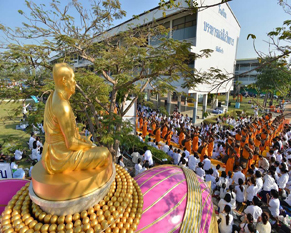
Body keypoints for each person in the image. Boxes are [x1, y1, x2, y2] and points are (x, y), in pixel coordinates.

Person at [42, 63, 112, 175]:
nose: (75, 82)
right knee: (105, 154)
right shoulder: (63, 106)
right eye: (73, 79)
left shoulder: (53, 96)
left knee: (96, 149)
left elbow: (64, 135)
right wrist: (89, 145)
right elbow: (70, 144)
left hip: (52, 152)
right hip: (60, 157)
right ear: (64, 80)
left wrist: (81, 139)